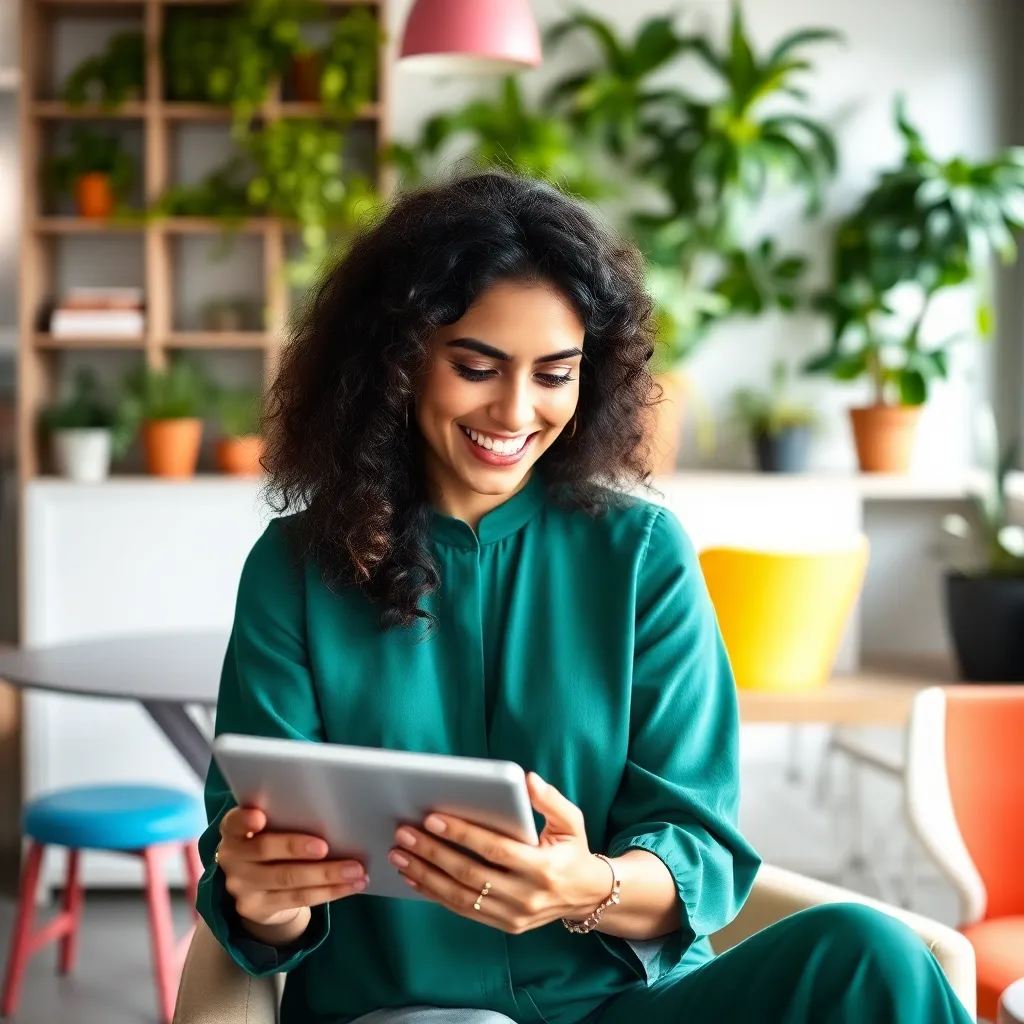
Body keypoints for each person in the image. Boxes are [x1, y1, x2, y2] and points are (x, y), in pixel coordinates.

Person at [197, 172, 972, 1024]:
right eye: (476, 366)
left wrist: (586, 886)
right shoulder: (296, 568)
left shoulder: (641, 555)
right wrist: (269, 897)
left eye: (554, 373)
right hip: (402, 1011)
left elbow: (698, 848)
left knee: (875, 955)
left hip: (618, 1008)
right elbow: (253, 858)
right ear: (396, 362)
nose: (517, 409)